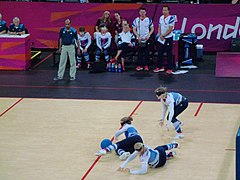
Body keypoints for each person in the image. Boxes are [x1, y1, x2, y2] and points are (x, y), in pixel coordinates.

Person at [154, 6, 175, 75]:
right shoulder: (161, 17)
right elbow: (159, 27)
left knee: (169, 53)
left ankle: (169, 68)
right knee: (160, 52)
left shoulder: (171, 18)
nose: (164, 12)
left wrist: (164, 35)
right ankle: (160, 66)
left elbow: (170, 29)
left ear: (168, 11)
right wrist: (160, 34)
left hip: (168, 38)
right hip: (161, 38)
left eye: (165, 10)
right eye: (163, 10)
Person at [132, 7, 154, 72]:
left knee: (147, 53)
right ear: (139, 13)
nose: (142, 13)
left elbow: (152, 28)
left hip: (146, 38)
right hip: (139, 39)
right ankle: (139, 65)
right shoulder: (136, 20)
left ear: (145, 12)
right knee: (140, 53)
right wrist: (138, 36)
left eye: (143, 12)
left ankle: (146, 66)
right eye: (141, 12)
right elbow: (134, 29)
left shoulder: (148, 20)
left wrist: (149, 35)